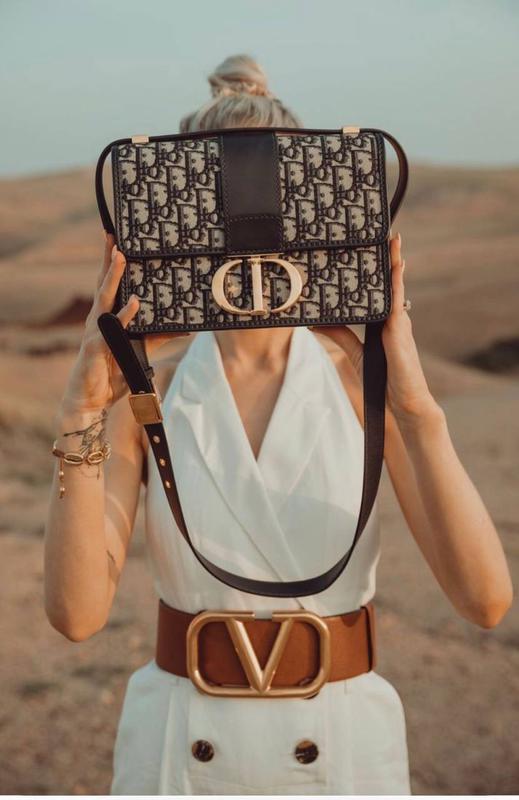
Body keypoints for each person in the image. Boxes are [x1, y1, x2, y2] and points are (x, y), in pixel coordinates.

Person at [43, 54, 513, 796]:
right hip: (181, 750)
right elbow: (75, 616)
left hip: (340, 744)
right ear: (180, 216)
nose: (247, 234)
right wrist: (79, 414)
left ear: (314, 206)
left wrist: (415, 407)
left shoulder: (368, 391)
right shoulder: (146, 396)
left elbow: (484, 601)